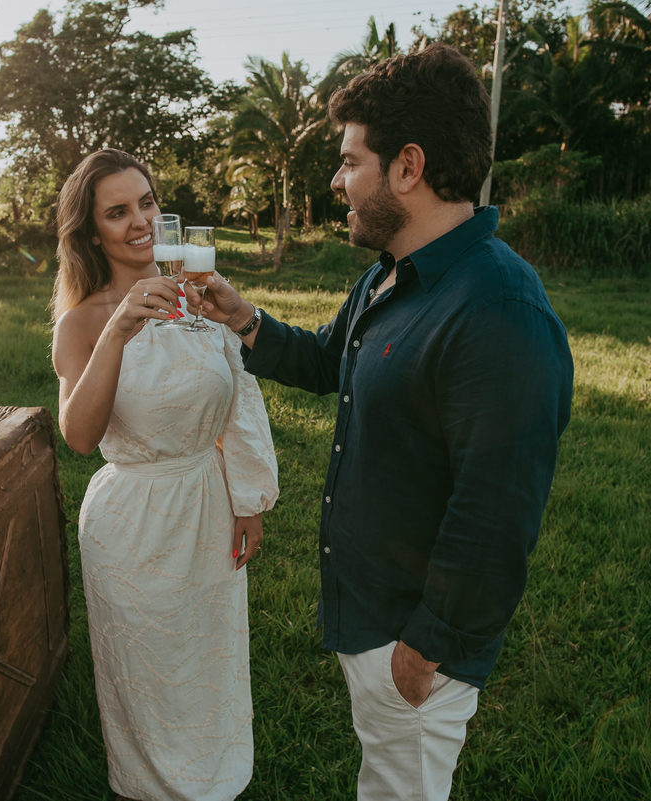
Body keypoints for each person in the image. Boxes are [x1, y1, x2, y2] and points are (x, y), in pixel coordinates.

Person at [199, 45, 574, 801]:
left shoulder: (500, 310)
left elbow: (496, 509)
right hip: (371, 614)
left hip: (415, 641)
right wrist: (244, 318)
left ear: (407, 166)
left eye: (349, 161)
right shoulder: (390, 272)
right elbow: (332, 360)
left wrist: (429, 643)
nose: (338, 181)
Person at [50, 148, 279, 801]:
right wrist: (120, 330)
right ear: (93, 231)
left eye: (147, 202)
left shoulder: (199, 295)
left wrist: (249, 499)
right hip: (132, 523)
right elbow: (79, 435)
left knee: (207, 663)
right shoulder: (84, 321)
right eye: (117, 212)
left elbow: (241, 399)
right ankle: (146, 787)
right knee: (146, 675)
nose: (139, 221)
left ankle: (213, 781)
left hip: (206, 503)